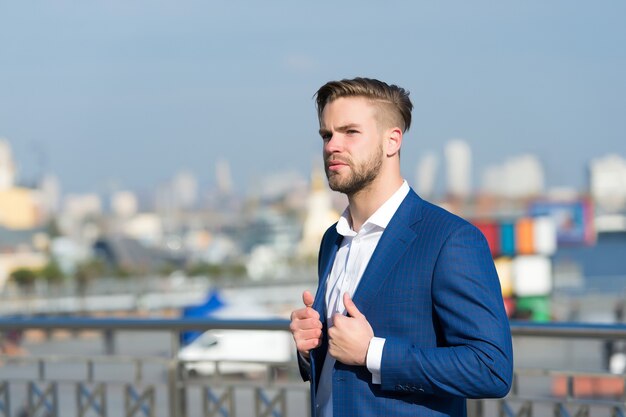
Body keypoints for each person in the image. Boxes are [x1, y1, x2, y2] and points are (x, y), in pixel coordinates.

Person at [289, 77, 513, 417]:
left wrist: (372, 353)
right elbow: (338, 363)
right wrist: (311, 348)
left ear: (392, 140)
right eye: (326, 134)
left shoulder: (449, 239)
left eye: (350, 132)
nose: (333, 145)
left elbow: (491, 368)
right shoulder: (332, 241)